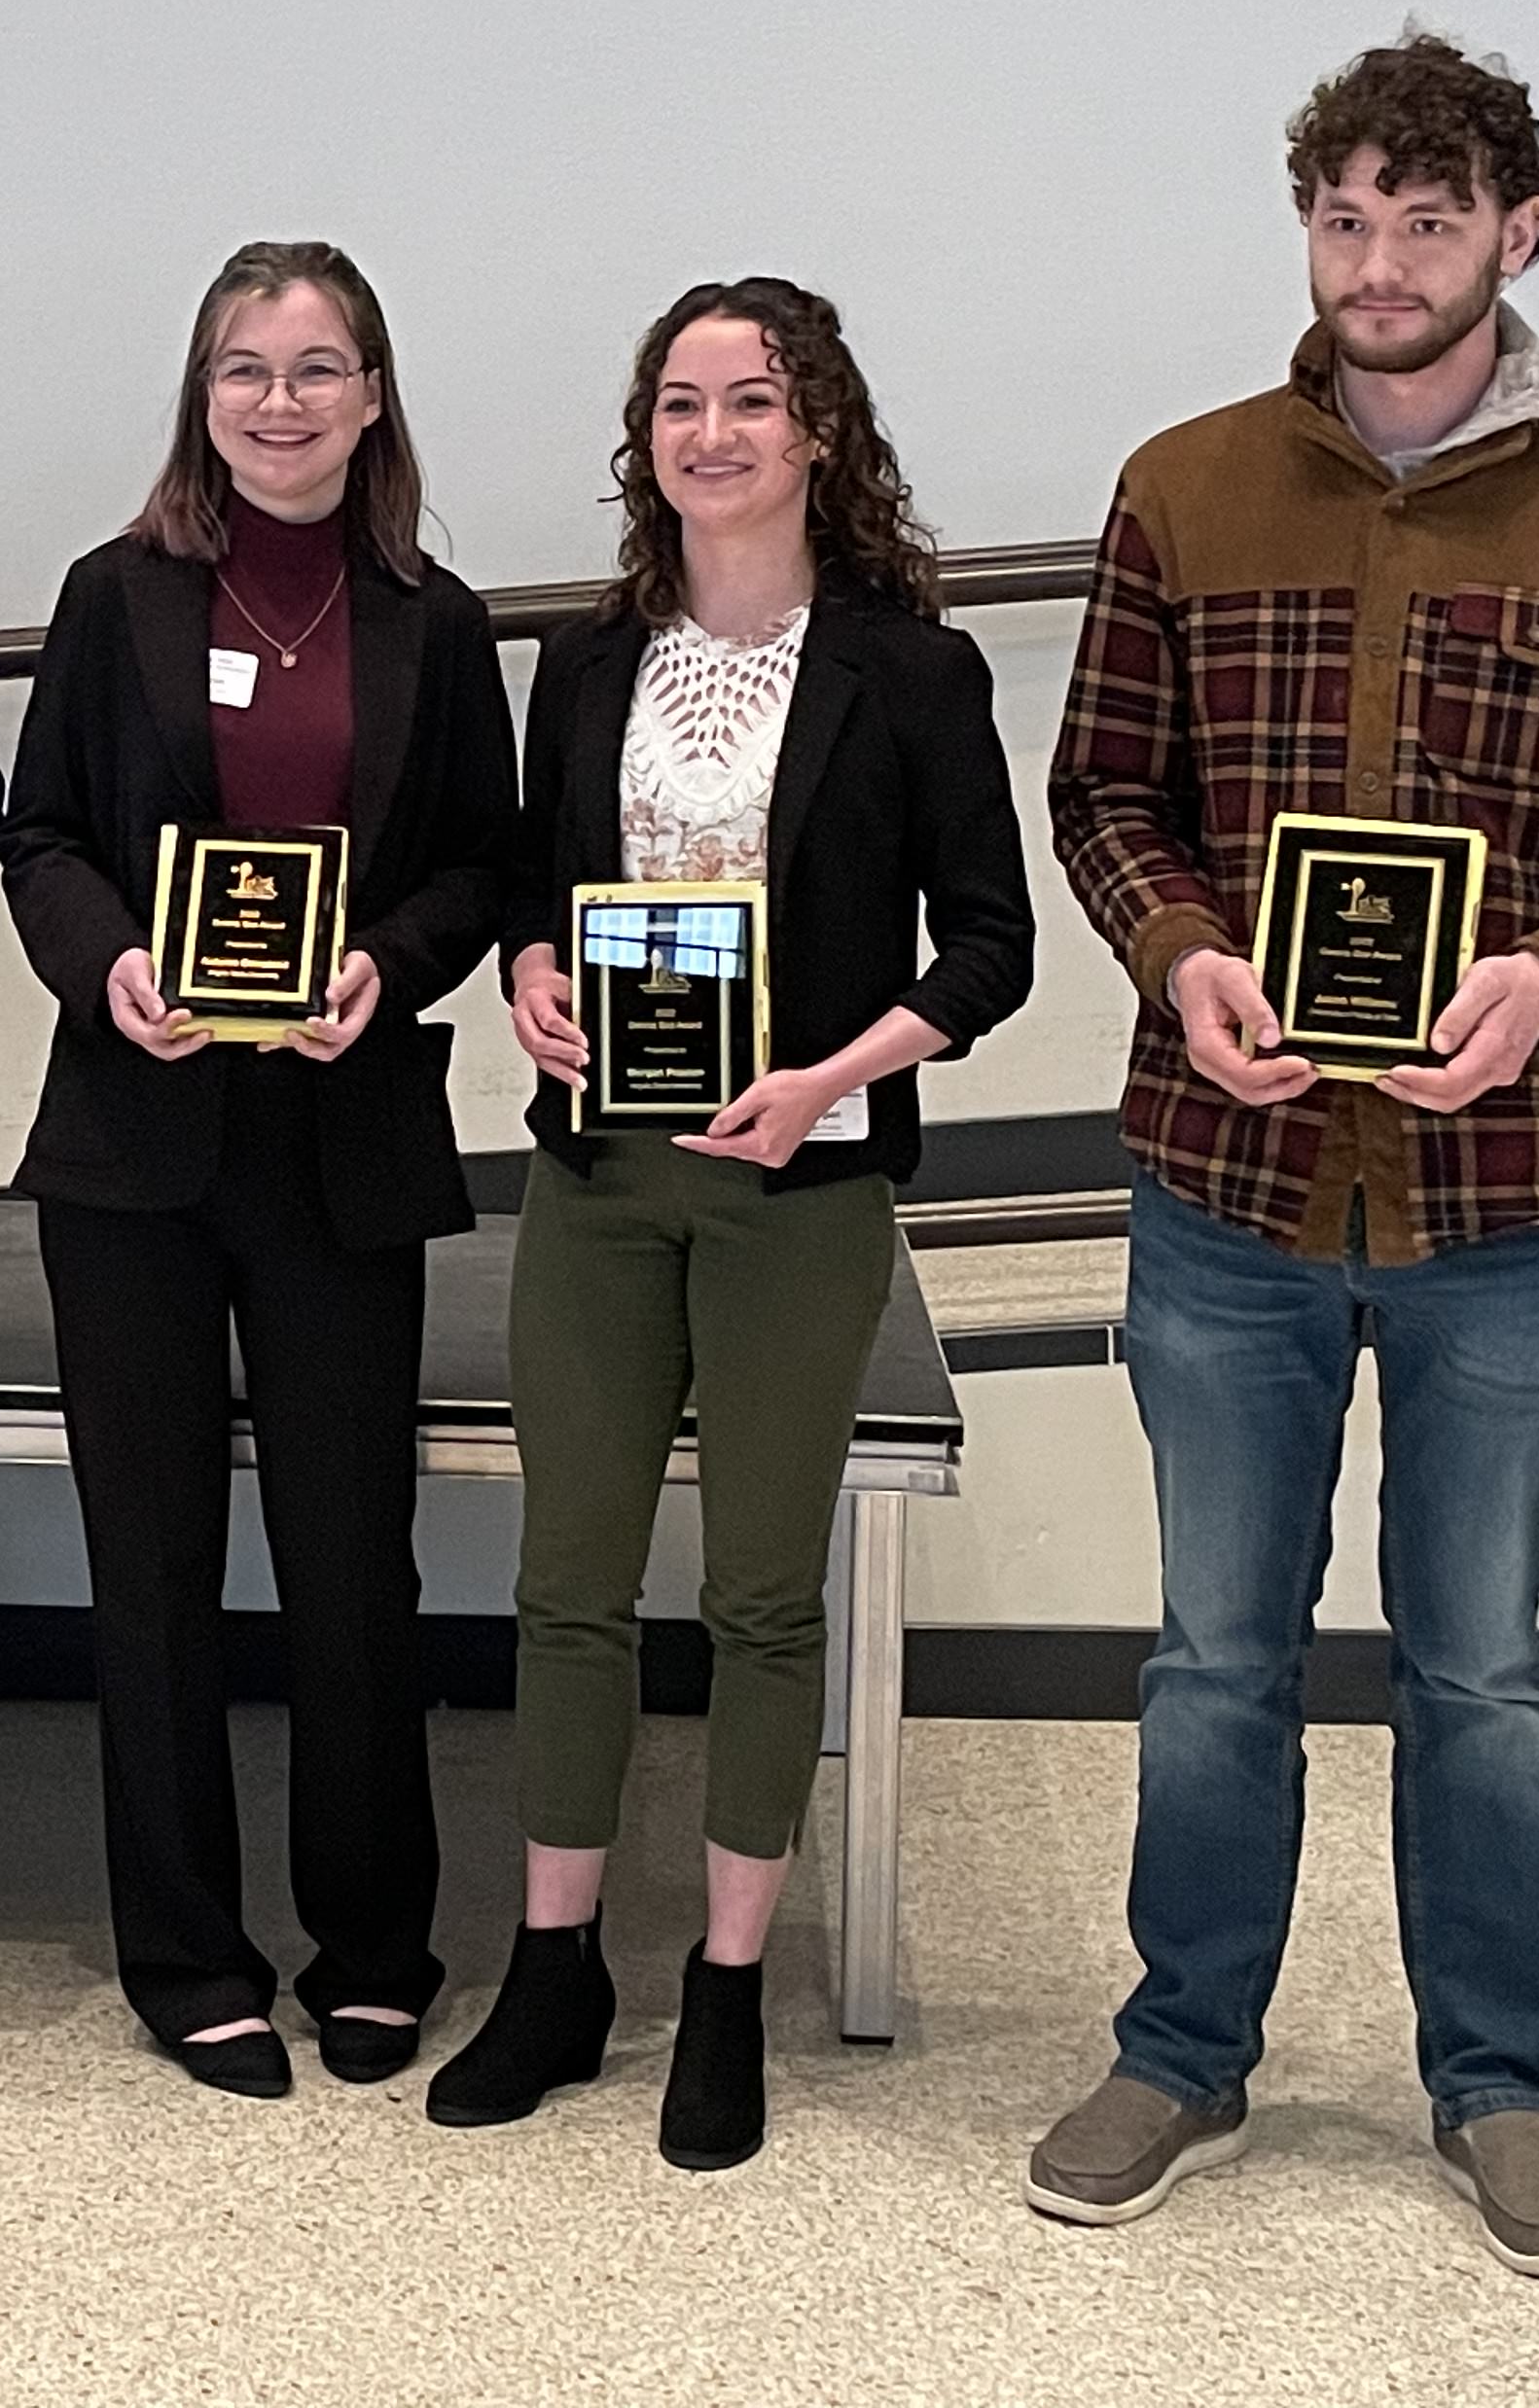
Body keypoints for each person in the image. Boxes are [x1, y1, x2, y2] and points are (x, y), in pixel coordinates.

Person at [1033, 34, 1539, 2276]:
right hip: (1228, 1191)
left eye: (1429, 221)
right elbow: (1102, 799)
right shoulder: (1184, 484)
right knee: (1211, 1661)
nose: (1381, 263)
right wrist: (1181, 957)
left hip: (1500, 1203)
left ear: (1519, 233)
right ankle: (1182, 2048)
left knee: (1479, 1672)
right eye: (1347, 219)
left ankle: (1497, 2086)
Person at [427, 279, 1033, 2165]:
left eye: (749, 401)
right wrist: (529, 975)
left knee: (767, 1597)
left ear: (819, 431)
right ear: (649, 445)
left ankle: (729, 1990)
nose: (711, 434)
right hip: (601, 1177)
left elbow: (992, 947)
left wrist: (831, 1071)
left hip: (805, 1179)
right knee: (567, 1587)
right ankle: (556, 1966)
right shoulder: (591, 662)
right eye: (678, 405)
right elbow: (534, 892)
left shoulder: (913, 672)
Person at [0, 240, 515, 2098]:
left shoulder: (435, 621)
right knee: (148, 1568)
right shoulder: (112, 595)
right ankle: (186, 1953)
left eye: (316, 369)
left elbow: (482, 868)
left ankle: (375, 1943)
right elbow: (37, 833)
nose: (279, 404)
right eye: (243, 369)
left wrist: (391, 966)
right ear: (200, 396)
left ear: (374, 396)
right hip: (135, 1143)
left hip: (342, 1139)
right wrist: (108, 964)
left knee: (349, 1565)